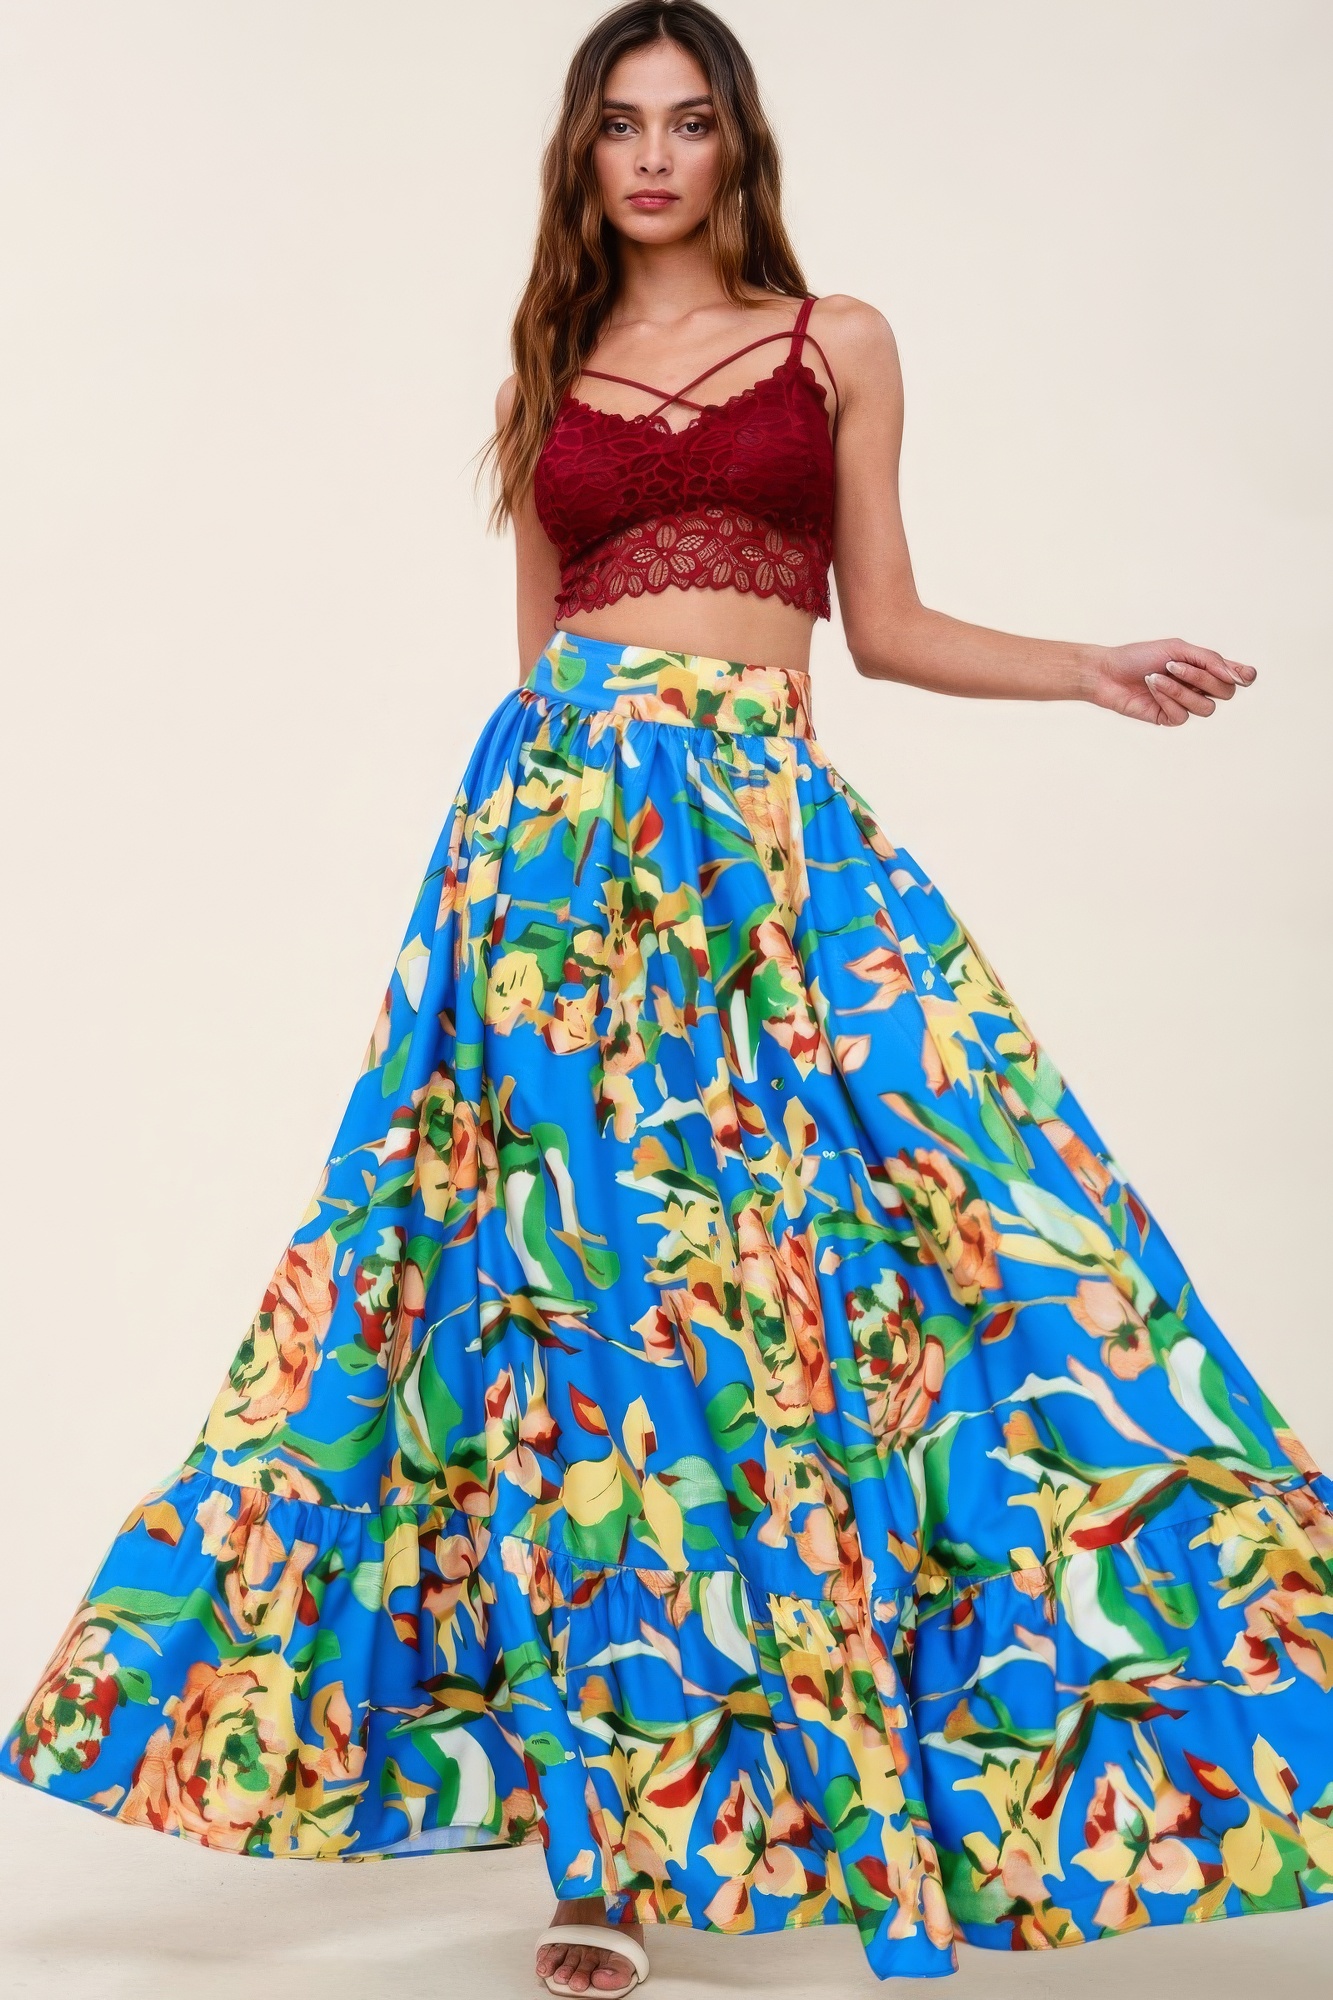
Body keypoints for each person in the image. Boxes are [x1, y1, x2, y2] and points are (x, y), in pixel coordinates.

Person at [5, 2, 1332, 1994]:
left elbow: (882, 624)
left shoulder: (835, 342)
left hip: (759, 848)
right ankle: (601, 1863)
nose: (651, 156)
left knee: (936, 1243)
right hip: (553, 872)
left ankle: (934, 1767)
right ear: (582, 155)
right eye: (619, 124)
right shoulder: (548, 377)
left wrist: (1085, 665)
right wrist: (504, 933)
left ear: (734, 149)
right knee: (579, 1324)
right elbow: (534, 667)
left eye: (687, 122)